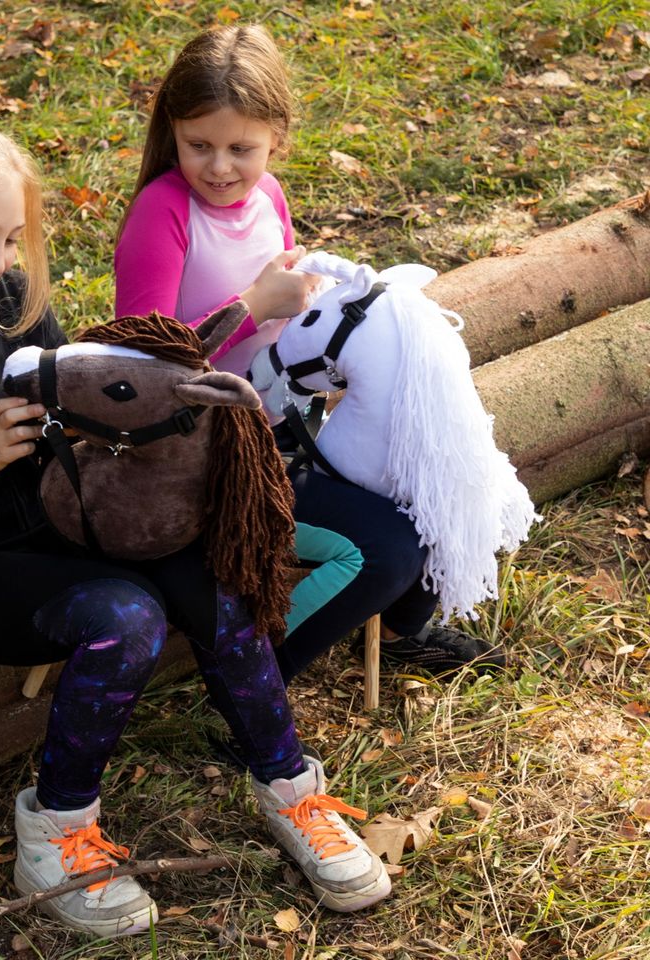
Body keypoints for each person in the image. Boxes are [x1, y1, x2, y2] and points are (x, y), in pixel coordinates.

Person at [0, 116, 392, 939]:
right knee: (125, 618)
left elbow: (73, 406)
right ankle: (55, 832)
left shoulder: (6, 299)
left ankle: (291, 788)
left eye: (10, 239)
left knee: (217, 573)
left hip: (57, 517)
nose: (1, 262)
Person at [113, 24, 507, 687]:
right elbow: (136, 367)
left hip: (290, 429)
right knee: (383, 551)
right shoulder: (163, 213)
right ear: (172, 130)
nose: (218, 167)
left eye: (242, 148)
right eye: (198, 145)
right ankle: (251, 686)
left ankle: (401, 630)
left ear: (278, 137)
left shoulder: (267, 197)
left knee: (435, 481)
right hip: (206, 460)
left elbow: (290, 317)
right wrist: (253, 306)